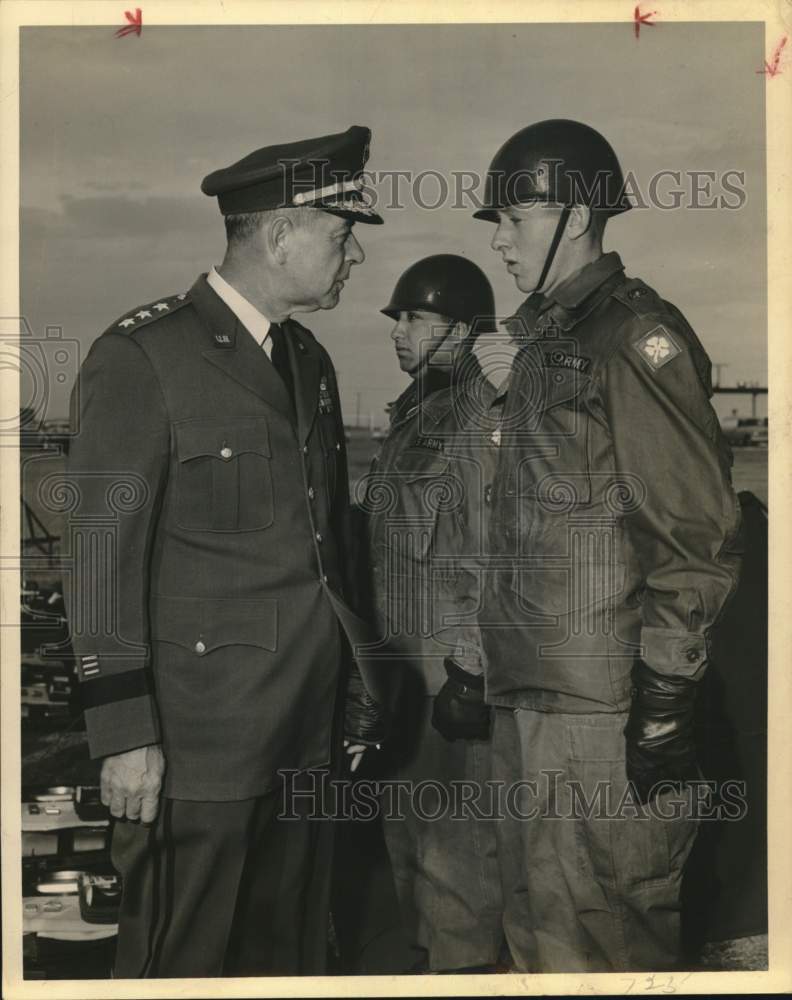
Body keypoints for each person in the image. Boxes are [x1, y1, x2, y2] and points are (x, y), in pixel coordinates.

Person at [64, 125, 387, 977]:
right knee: (186, 963)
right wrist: (125, 732)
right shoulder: (145, 357)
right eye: (341, 236)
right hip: (199, 744)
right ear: (280, 237)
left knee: (286, 963)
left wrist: (354, 684)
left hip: (303, 735)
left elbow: (325, 546)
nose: (352, 257)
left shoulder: (307, 361)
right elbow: (100, 556)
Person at [455, 118, 743, 971]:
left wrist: (665, 696)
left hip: (600, 710)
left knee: (600, 939)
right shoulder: (545, 343)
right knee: (535, 936)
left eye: (515, 218)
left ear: (577, 215)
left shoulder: (632, 339)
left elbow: (692, 534)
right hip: (529, 695)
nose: (499, 241)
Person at [359, 255, 504, 972]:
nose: (398, 330)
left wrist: (471, 673)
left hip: (451, 678)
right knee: (409, 852)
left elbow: (497, 552)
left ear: (465, 331)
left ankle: (468, 976)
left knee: (459, 870)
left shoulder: (482, 415)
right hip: (404, 680)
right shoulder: (413, 413)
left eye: (416, 317)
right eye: (398, 317)